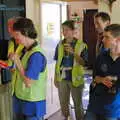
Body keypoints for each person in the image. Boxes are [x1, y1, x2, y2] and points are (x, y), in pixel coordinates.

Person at [9, 18, 47, 120]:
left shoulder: (37, 55)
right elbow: (21, 72)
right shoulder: (25, 50)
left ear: (25, 33)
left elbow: (28, 82)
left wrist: (17, 61)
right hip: (21, 99)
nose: (15, 38)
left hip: (32, 103)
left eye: (17, 35)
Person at [84, 24, 120, 120]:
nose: (103, 40)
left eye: (107, 37)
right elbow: (95, 76)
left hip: (113, 109)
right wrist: (101, 79)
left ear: (118, 40)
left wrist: (114, 79)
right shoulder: (101, 56)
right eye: (103, 36)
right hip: (95, 104)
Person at [54, 20, 87, 120]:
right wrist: (56, 78)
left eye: (67, 30)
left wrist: (73, 53)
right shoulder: (59, 44)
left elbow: (84, 63)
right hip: (62, 78)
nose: (64, 32)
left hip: (76, 79)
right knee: (63, 102)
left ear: (74, 31)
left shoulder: (82, 45)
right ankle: (67, 118)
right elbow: (57, 62)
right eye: (63, 30)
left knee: (78, 104)